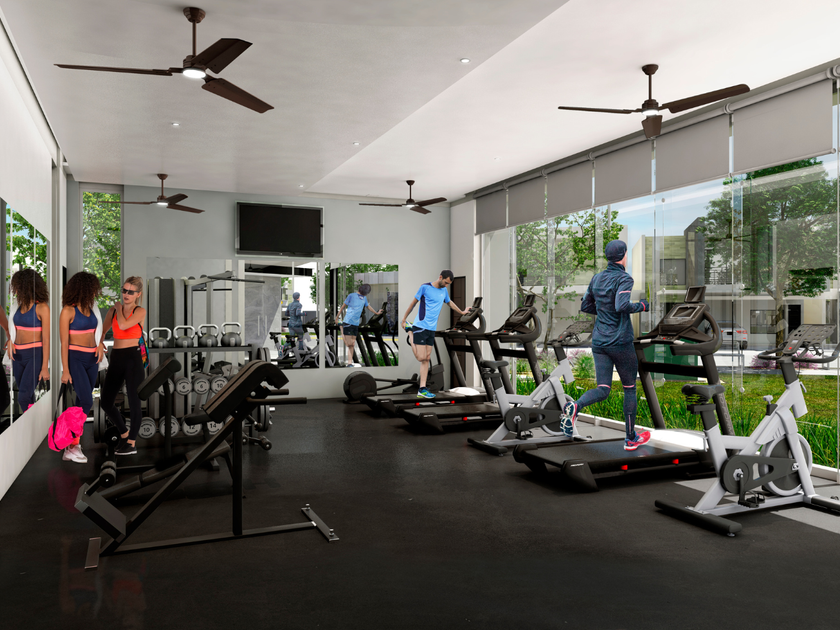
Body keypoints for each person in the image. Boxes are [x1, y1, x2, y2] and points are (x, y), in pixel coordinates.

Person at [562, 240, 650, 451]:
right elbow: (622, 305)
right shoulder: (624, 278)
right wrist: (642, 306)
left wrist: (604, 311)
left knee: (603, 389)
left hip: (600, 341)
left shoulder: (597, 278)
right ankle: (630, 439)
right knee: (629, 388)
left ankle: (575, 406)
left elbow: (586, 305)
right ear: (624, 255)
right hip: (620, 342)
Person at [59, 272, 105, 464]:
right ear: (84, 289)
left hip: (92, 359)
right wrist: (65, 370)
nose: (95, 292)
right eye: (92, 289)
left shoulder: (91, 308)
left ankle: (71, 446)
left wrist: (100, 344)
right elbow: (63, 343)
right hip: (75, 359)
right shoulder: (68, 311)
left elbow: (98, 331)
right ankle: (72, 444)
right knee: (87, 400)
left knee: (80, 401)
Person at [401, 270, 470, 399]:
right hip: (420, 326)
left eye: (448, 284)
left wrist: (462, 312)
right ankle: (410, 332)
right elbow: (413, 304)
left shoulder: (444, 290)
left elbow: (449, 302)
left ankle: (422, 389)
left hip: (431, 329)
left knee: (427, 358)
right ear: (440, 277)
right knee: (420, 357)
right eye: (446, 282)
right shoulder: (425, 287)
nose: (446, 285)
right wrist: (404, 319)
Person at [100, 276, 147, 456]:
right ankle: (124, 433)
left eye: (130, 292)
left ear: (138, 294)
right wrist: (99, 343)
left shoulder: (139, 311)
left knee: (134, 402)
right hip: (116, 357)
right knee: (106, 402)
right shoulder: (112, 311)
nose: (126, 294)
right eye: (124, 290)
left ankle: (132, 443)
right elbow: (104, 330)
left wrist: (119, 308)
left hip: (133, 358)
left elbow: (124, 324)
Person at [9, 268, 50, 413]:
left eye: (18, 287)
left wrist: (44, 367)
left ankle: (34, 425)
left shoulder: (42, 307)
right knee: (27, 396)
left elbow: (46, 339)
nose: (15, 290)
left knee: (23, 397)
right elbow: (13, 329)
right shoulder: (18, 306)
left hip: (34, 355)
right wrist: (10, 341)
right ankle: (34, 426)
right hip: (17, 356)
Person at [336, 284, 381, 366]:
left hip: (355, 323)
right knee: (348, 344)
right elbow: (343, 306)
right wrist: (337, 318)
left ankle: (349, 363)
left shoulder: (364, 298)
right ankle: (341, 327)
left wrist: (376, 313)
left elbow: (368, 307)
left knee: (352, 344)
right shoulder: (351, 295)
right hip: (348, 322)